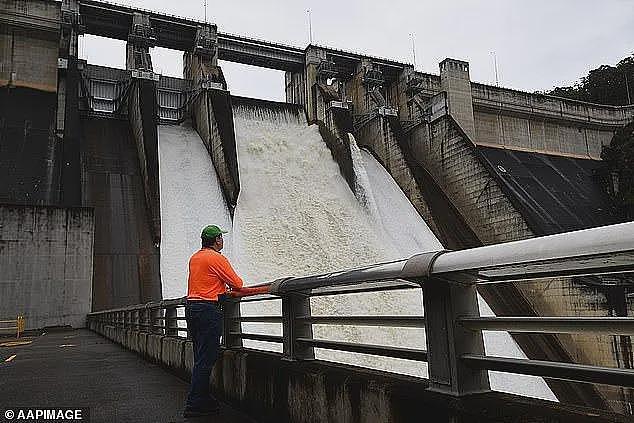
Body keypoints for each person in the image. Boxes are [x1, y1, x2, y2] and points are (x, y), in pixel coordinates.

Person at [183, 224, 244, 418]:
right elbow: (238, 284)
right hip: (207, 310)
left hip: (191, 308)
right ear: (217, 240)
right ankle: (194, 404)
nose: (222, 240)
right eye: (221, 237)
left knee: (200, 356)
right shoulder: (216, 258)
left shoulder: (195, 258)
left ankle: (203, 398)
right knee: (206, 358)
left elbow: (204, 282)